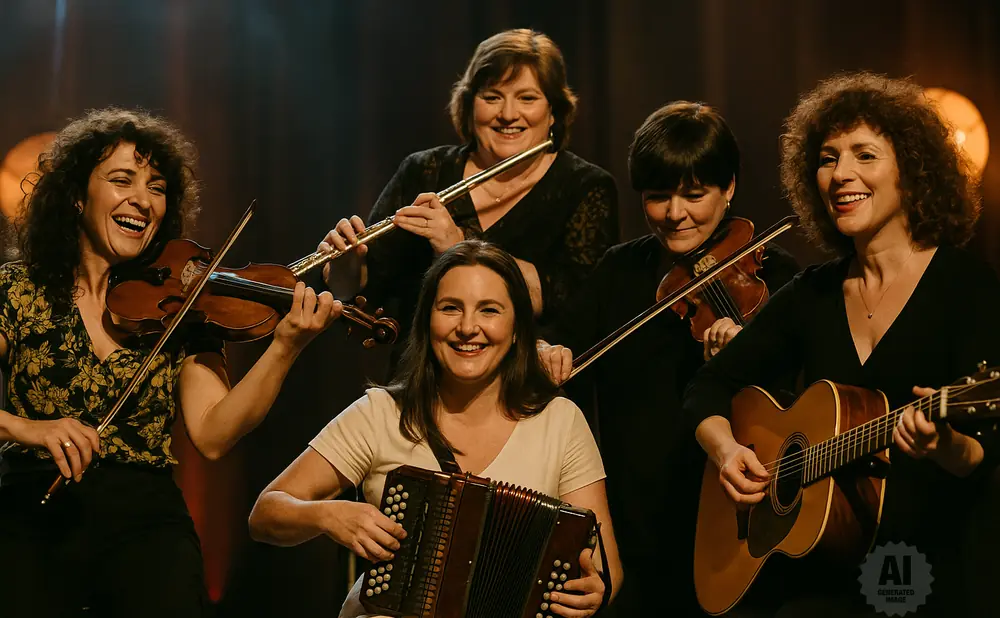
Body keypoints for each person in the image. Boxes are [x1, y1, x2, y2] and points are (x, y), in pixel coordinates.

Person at [0, 107, 340, 617]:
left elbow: (213, 433)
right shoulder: (19, 289)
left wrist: (284, 348)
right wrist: (27, 428)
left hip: (144, 520)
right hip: (34, 509)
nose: (142, 199)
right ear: (76, 195)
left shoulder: (180, 303)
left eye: (157, 187)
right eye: (122, 180)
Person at [685, 72, 1000, 616]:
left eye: (864, 155)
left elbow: (981, 455)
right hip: (822, 575)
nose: (840, 174)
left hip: (930, 570)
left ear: (913, 171)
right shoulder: (813, 293)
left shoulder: (965, 289)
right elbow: (708, 387)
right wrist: (728, 450)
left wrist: (939, 445)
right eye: (828, 158)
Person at [249, 240, 623, 618]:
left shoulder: (559, 421)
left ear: (516, 330)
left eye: (489, 311)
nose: (467, 327)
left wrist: (594, 591)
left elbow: (606, 570)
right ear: (428, 321)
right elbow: (265, 514)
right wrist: (328, 516)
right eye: (450, 308)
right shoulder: (381, 413)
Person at [537, 101, 800, 616]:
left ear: (729, 188)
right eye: (658, 197)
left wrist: (745, 355)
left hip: (737, 519)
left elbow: (799, 392)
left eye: (694, 194)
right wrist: (549, 351)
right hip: (636, 524)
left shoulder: (778, 274)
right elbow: (557, 339)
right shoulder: (620, 270)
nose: (675, 213)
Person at [319, 28, 618, 376]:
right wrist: (347, 267)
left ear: (554, 111)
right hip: (422, 378)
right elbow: (366, 294)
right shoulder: (424, 171)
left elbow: (573, 303)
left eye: (527, 98)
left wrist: (458, 245)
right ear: (469, 104)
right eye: (492, 97)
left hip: (526, 381)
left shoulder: (585, 186)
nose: (508, 114)